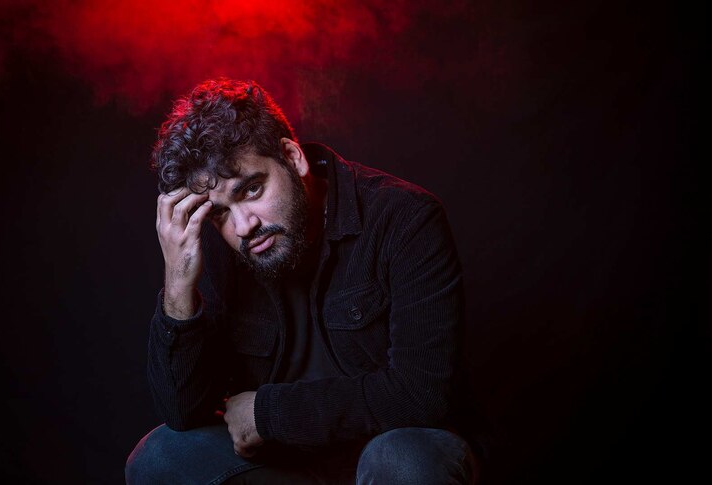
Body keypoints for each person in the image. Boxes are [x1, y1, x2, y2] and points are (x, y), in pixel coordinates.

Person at [126, 78, 485, 484]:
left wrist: (269, 413)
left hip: (389, 453)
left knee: (402, 459)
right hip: (287, 467)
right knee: (159, 455)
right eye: (220, 212)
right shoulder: (223, 247)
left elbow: (421, 394)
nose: (244, 226)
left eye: (252, 189)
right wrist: (178, 284)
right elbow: (181, 413)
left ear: (292, 156)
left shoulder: (404, 218)